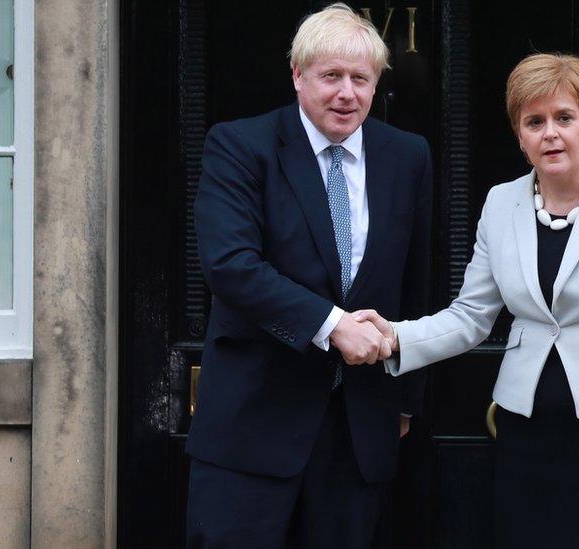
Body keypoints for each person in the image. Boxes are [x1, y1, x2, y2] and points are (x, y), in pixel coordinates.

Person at [355, 53, 579, 548]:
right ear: (519, 135)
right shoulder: (501, 202)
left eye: (564, 118)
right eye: (534, 122)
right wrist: (395, 336)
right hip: (526, 432)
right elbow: (471, 316)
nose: (550, 133)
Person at [185, 4, 432, 547]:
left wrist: (407, 398)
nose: (347, 93)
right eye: (331, 77)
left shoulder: (407, 156)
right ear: (298, 77)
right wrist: (332, 324)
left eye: (360, 79)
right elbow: (231, 265)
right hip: (253, 427)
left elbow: (415, 283)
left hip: (360, 428)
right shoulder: (241, 146)